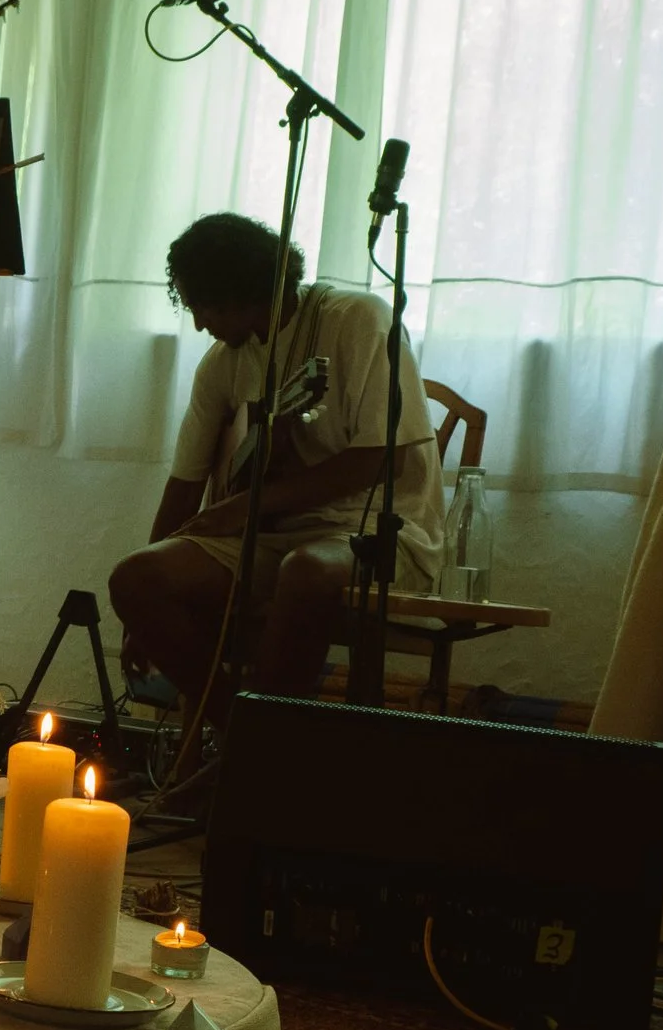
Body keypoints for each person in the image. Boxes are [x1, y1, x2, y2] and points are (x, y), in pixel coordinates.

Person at [109, 212, 446, 710]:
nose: (199, 323)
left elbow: (381, 462)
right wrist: (139, 617)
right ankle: (239, 732)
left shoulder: (356, 318)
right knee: (133, 577)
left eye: (204, 305)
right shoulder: (223, 363)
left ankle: (257, 745)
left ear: (242, 290)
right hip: (273, 537)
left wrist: (250, 505)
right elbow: (184, 486)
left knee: (306, 570)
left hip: (380, 532)